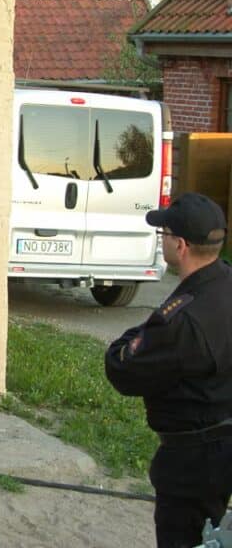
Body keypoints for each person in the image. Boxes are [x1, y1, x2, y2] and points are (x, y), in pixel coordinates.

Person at [105, 192, 232, 548]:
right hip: (220, 446)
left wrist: (137, 335)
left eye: (163, 234)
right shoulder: (223, 283)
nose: (161, 240)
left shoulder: (184, 319)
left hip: (192, 460)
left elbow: (122, 369)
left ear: (181, 244)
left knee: (184, 536)